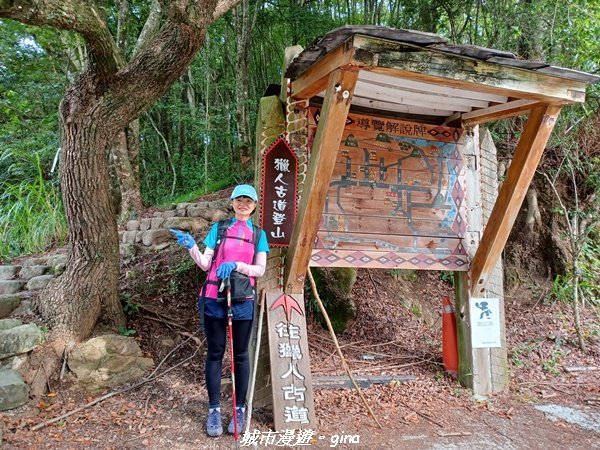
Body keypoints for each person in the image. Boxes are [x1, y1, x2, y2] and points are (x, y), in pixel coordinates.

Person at [169, 184, 269, 437]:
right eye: (239, 199)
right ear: (232, 203)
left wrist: (237, 265)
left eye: (248, 200)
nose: (243, 204)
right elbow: (205, 264)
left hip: (243, 299)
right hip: (214, 297)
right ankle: (214, 410)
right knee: (215, 353)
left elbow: (259, 270)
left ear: (255, 205)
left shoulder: (259, 234)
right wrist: (191, 246)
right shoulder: (220, 229)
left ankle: (239, 408)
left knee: (241, 355)